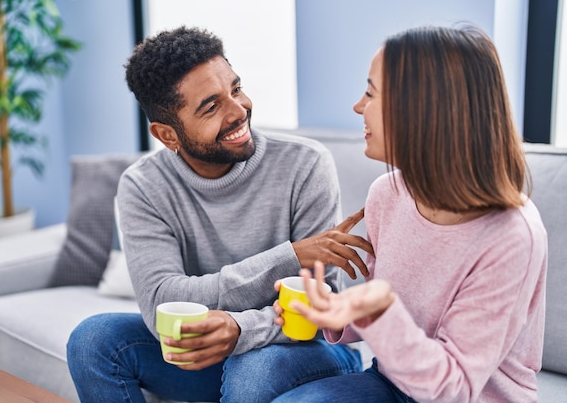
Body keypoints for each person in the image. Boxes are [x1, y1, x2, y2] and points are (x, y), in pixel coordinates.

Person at [66, 26, 374, 403]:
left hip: (310, 348)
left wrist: (240, 329)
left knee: (253, 370)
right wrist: (289, 256)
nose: (238, 110)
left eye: (236, 88)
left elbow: (320, 304)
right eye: (211, 106)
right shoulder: (143, 187)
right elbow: (162, 301)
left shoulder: (305, 164)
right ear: (167, 135)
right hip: (213, 356)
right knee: (94, 341)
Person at [272, 25, 548, 403]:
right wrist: (332, 310)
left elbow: (454, 389)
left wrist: (379, 309)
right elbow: (385, 325)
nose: (357, 107)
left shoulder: (512, 235)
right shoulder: (387, 194)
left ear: (421, 111)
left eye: (370, 92)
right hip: (394, 384)